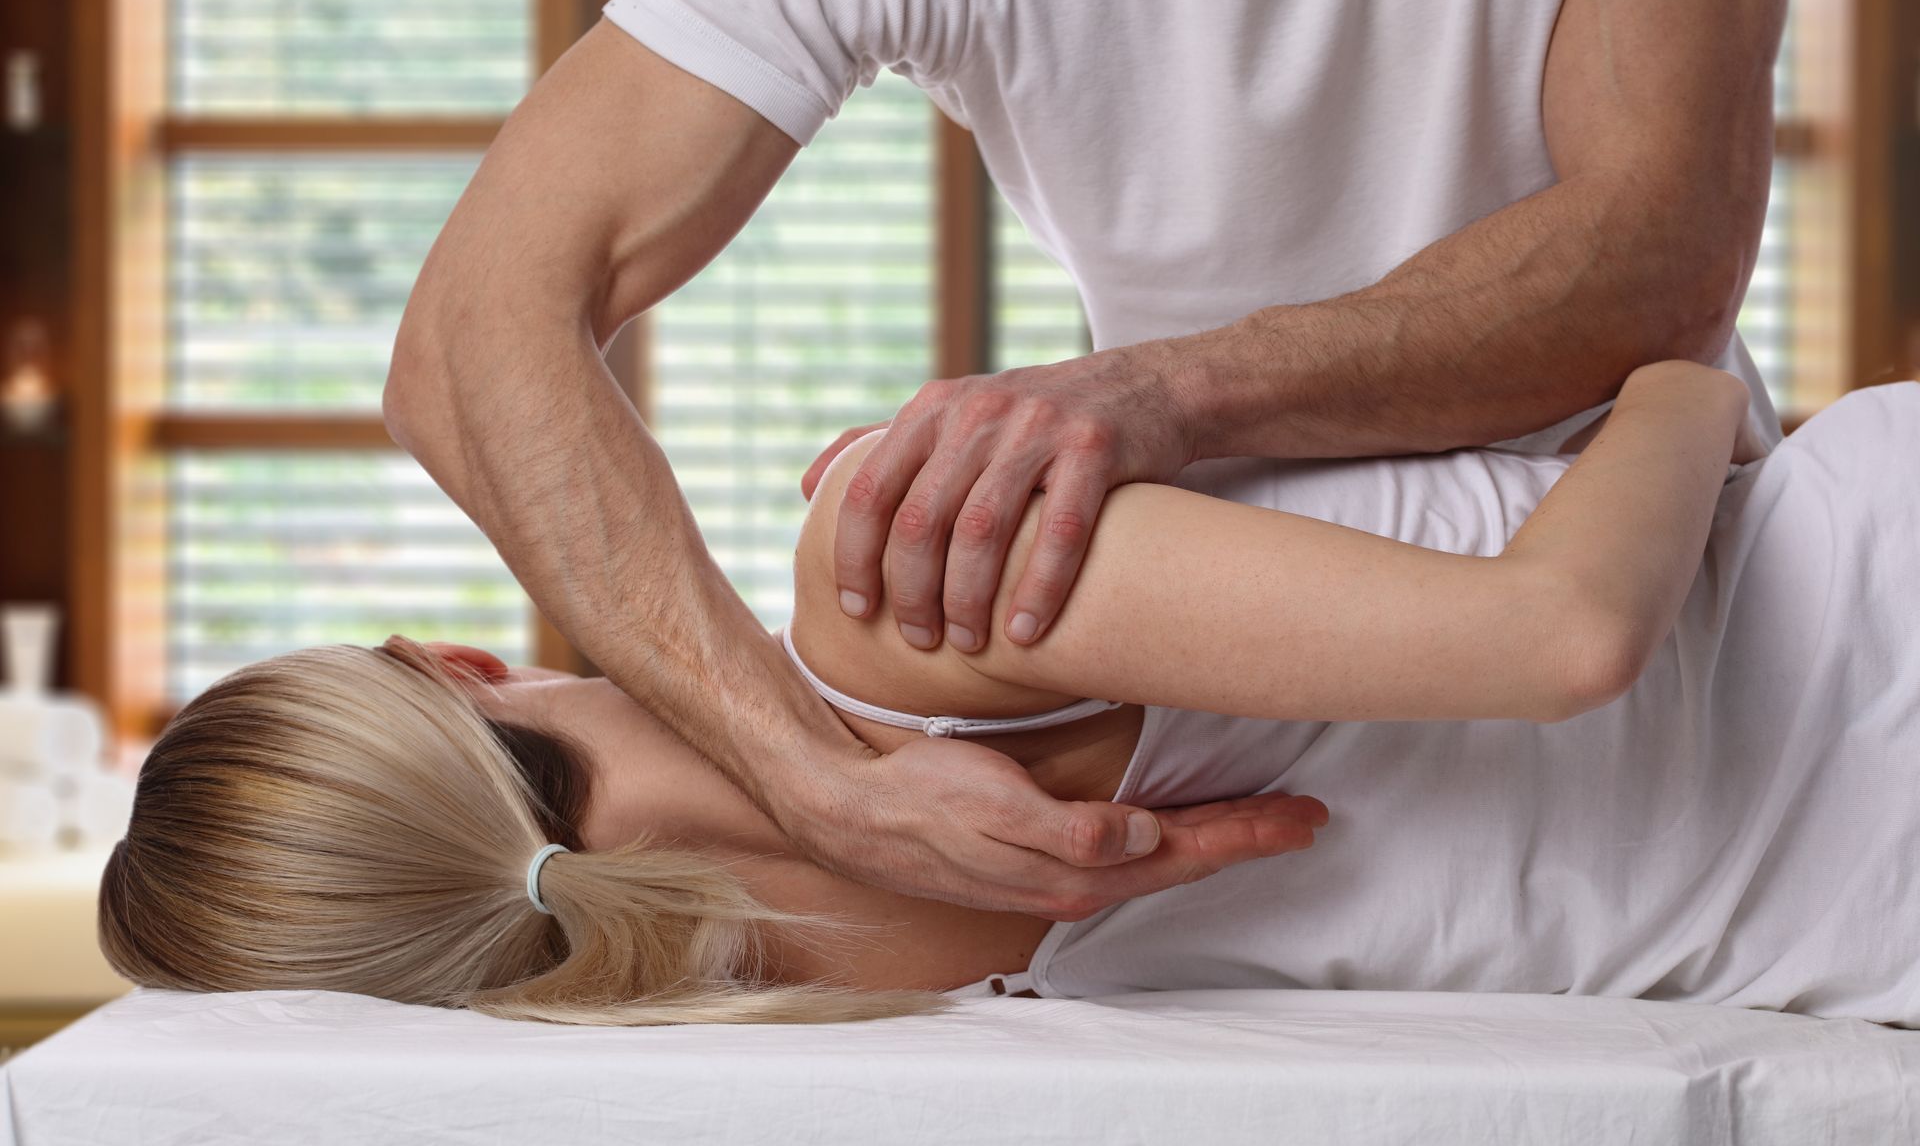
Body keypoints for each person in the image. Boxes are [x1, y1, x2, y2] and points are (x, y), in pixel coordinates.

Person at [382, 0, 1796, 917]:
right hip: (1223, 618)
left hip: (1678, 555)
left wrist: (1166, 391)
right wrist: (813, 784)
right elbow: (472, 338)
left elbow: (1665, 252)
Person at [101, 364, 1920, 1026]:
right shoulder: (888, 600)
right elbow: (1562, 643)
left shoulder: (837, 1017)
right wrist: (1676, 364)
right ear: (454, 660)